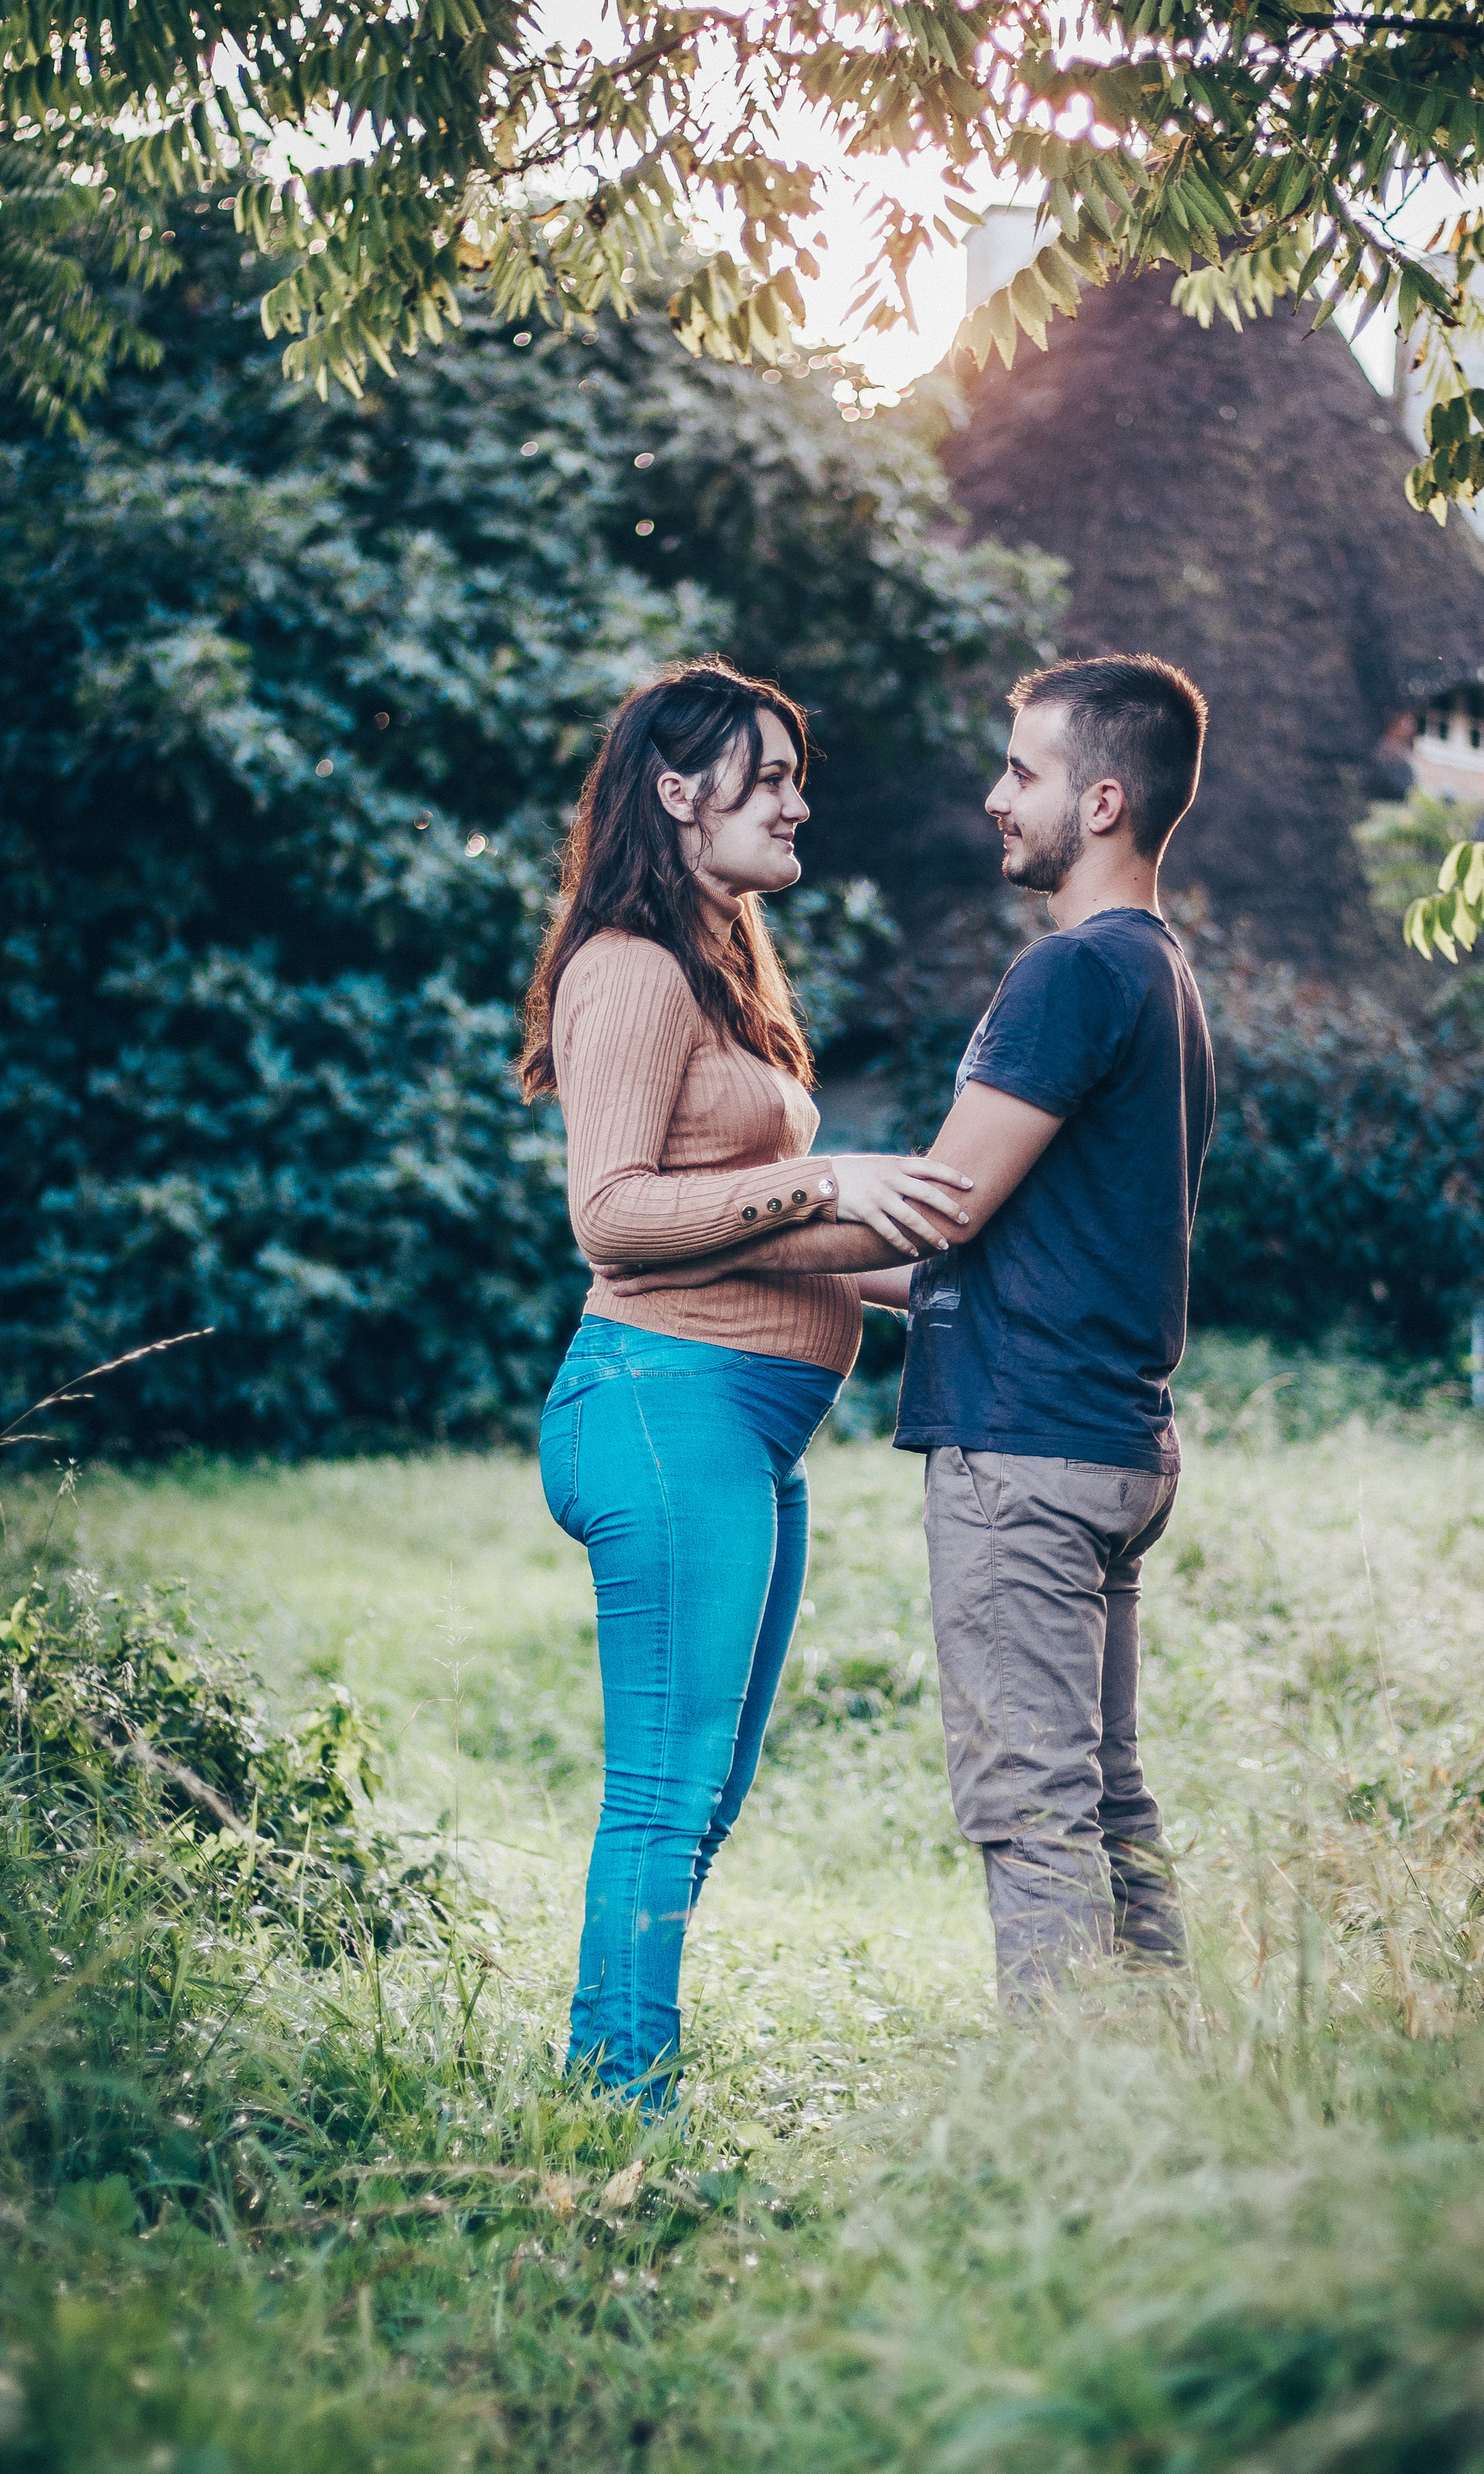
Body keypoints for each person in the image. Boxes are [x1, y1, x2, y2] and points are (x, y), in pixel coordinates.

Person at [606, 654, 1216, 2010]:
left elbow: (933, 1216)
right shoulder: (1161, 977)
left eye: (1021, 772)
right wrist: (804, 1270)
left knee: (1029, 1813)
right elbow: (996, 1258)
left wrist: (698, 1221)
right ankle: (1171, 2088)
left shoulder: (1067, 974)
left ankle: (1070, 2126)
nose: (993, 798)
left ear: (1101, 800)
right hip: (1113, 1443)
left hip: (1025, 1458)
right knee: (1106, 1803)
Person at [519, 659, 973, 2104]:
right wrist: (825, 1176)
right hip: (660, 1410)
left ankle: (621, 2069)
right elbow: (614, 1217)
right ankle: (611, 2108)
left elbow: (766, 1240)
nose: (796, 800)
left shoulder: (721, 970)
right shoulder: (629, 970)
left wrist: (959, 1288)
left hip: (742, 1427)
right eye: (765, 776)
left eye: (793, 775)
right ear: (675, 792)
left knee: (703, 1798)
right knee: (663, 1793)